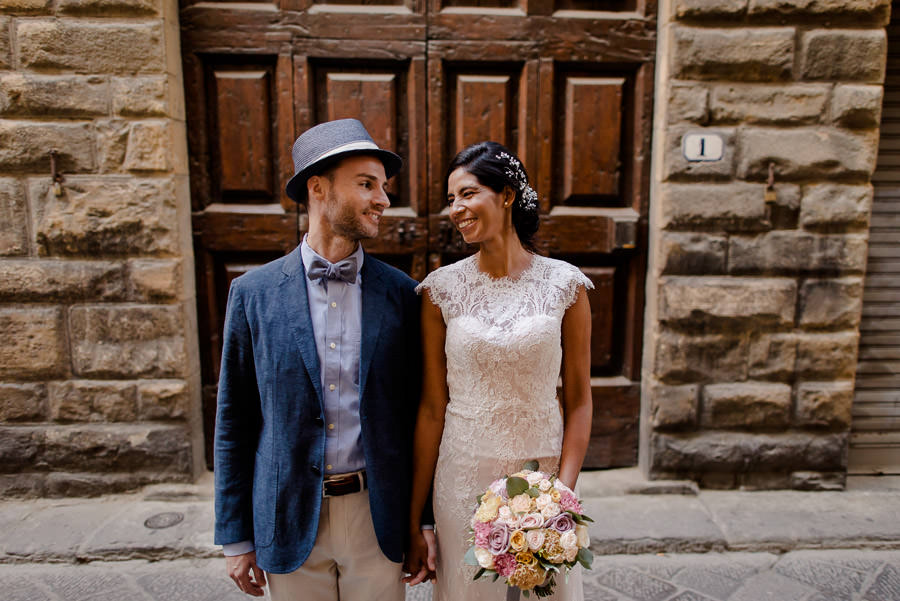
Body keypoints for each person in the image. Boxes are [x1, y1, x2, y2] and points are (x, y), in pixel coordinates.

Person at [214, 118, 425, 601]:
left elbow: (420, 413)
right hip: (288, 515)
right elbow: (235, 420)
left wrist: (423, 520)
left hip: (378, 515)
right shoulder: (252, 294)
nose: (383, 200)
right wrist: (235, 536)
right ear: (318, 188)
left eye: (383, 187)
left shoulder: (403, 295)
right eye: (367, 185)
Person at [405, 141, 593, 600]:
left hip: (542, 475)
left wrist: (561, 498)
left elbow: (580, 400)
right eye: (451, 199)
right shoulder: (440, 291)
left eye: (467, 194)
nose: (456, 209)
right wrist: (415, 518)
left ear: (506, 194)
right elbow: (432, 408)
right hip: (462, 476)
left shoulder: (565, 286)